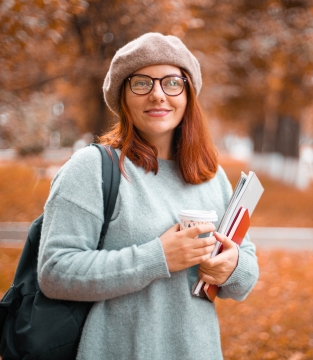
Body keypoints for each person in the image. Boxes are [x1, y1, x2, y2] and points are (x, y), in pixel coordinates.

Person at [37, 32, 259, 360]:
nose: (158, 95)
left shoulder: (212, 177)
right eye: (142, 83)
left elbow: (247, 266)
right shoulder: (92, 168)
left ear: (187, 95)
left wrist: (233, 267)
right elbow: (55, 271)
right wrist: (158, 258)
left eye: (172, 83)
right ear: (123, 96)